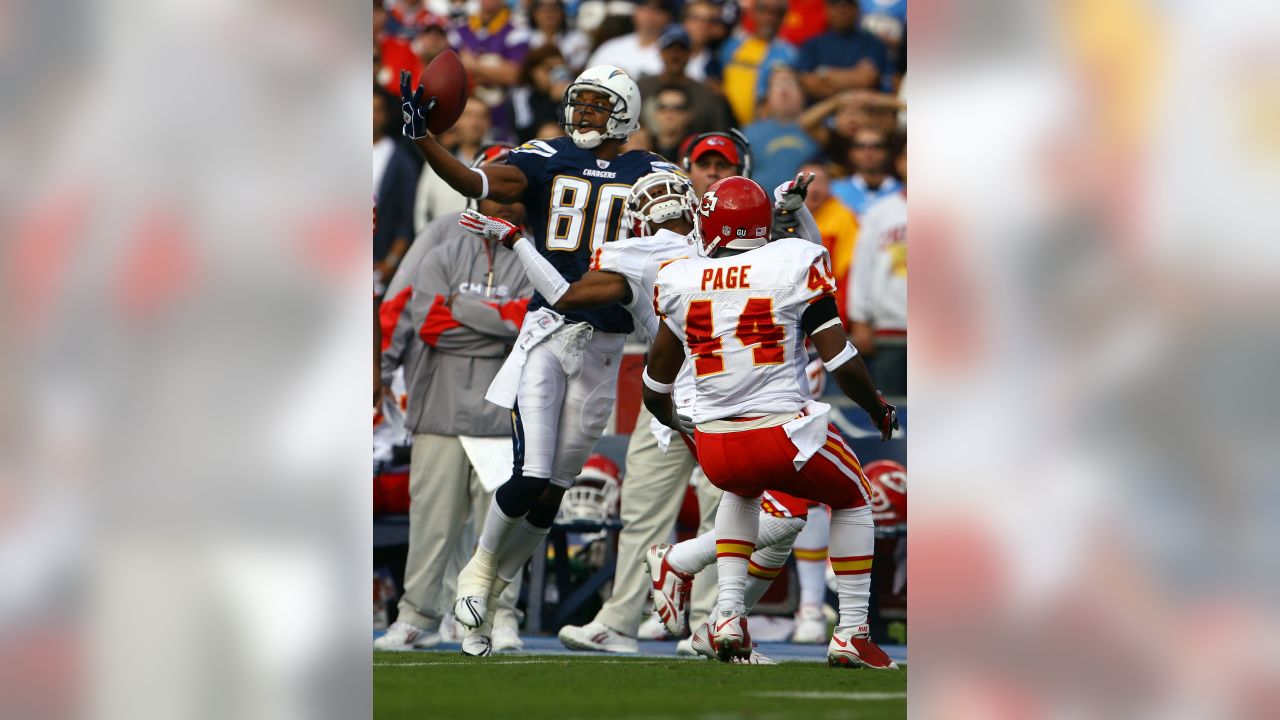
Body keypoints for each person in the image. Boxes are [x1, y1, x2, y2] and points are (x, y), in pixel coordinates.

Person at [462, 170, 824, 657]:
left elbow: (804, 260)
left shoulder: (702, 245)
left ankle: (707, 608)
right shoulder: (680, 248)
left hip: (716, 397)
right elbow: (810, 260)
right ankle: (710, 616)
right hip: (721, 400)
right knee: (773, 517)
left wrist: (519, 243)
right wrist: (796, 213)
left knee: (765, 516)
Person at [400, 64, 679, 655]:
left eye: (597, 105)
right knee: (529, 473)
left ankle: (495, 590)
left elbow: (685, 234)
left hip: (606, 345)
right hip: (549, 332)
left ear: (624, 113)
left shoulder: (656, 174)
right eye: (579, 102)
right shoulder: (547, 155)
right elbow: (477, 181)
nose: (582, 113)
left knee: (553, 488)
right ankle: (478, 573)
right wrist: (424, 137)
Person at [643, 175, 899, 669]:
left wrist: (681, 425)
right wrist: (876, 407)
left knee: (741, 493)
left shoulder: (679, 277)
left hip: (716, 440)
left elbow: (655, 385)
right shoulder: (792, 261)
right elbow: (841, 355)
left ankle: (728, 617)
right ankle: (851, 631)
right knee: (852, 497)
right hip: (782, 430)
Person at [375, 145, 534, 654]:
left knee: (500, 532)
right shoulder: (442, 247)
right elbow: (431, 325)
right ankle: (414, 616)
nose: (504, 204)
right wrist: (499, 322)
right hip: (440, 410)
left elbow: (530, 324)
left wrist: (464, 310)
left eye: (514, 194)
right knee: (432, 525)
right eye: (495, 193)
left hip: (505, 416)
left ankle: (500, 617)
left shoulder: (540, 255)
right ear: (476, 195)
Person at [847, 141, 906, 396]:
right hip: (888, 328)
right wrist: (860, 318)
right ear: (900, 163)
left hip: (944, 334)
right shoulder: (881, 212)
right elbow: (863, 267)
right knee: (892, 418)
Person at [448, 0, 531, 139]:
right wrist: (494, 71)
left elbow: (513, 75)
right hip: (465, 106)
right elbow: (451, 72)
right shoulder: (459, 28)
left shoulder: (517, 28)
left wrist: (473, 66)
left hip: (502, 111)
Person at [413, 96, 493, 234]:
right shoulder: (436, 161)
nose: (475, 123)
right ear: (457, 121)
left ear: (489, 123)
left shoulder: (500, 162)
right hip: (443, 244)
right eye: (469, 115)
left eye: (481, 116)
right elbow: (421, 210)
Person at [636, 26, 734, 136]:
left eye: (681, 49)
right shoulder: (640, 88)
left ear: (690, 54)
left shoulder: (707, 94)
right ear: (660, 52)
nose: (675, 55)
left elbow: (719, 136)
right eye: (669, 49)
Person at [719, 0, 799, 126]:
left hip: (763, 129)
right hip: (725, 125)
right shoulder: (732, 45)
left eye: (776, 13)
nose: (769, 17)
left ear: (783, 18)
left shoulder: (790, 55)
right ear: (753, 12)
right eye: (763, 10)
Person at [742, 63, 819, 193]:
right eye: (777, 86)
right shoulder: (749, 133)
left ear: (803, 93)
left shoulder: (817, 131)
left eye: (790, 84)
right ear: (768, 96)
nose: (784, 92)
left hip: (811, 210)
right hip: (763, 208)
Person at [374, 86, 420, 291]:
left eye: (377, 109)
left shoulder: (401, 161)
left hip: (381, 263)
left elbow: (407, 216)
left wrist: (391, 262)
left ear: (386, 114)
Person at [796, 0, 890, 99]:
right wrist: (854, 76)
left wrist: (823, 73)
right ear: (827, 10)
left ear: (857, 9)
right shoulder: (812, 45)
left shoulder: (872, 43)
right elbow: (808, 84)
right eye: (835, 5)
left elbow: (866, 79)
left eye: (848, 5)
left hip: (862, 110)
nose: (842, 10)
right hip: (819, 111)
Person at [584, 0, 672, 80]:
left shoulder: (674, 52)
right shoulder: (610, 47)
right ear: (635, 13)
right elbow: (586, 80)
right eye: (644, 6)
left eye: (656, 9)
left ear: (668, 17)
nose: (649, 13)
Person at [829, 125, 900, 217]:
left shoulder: (904, 192)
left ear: (887, 152)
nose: (869, 153)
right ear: (851, 153)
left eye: (877, 146)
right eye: (861, 146)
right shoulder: (834, 191)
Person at [526, 0, 592, 72]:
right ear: (534, 13)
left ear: (562, 13)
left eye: (554, 9)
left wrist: (563, 66)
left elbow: (583, 68)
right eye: (543, 9)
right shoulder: (524, 38)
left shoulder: (579, 39)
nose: (548, 14)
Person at [646, 86, 697, 163]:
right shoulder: (643, 147)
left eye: (678, 108)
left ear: (689, 114)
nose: (669, 112)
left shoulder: (697, 148)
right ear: (654, 112)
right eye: (663, 107)